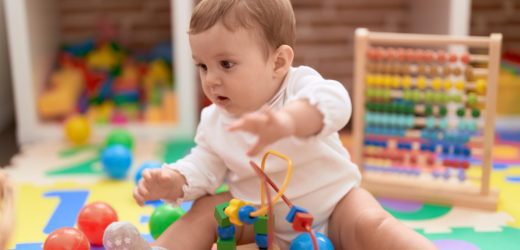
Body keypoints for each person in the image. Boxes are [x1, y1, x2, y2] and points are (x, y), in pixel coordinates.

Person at [104, 0, 436, 249]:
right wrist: (174, 180)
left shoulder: (299, 86)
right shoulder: (215, 119)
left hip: (334, 206)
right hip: (259, 219)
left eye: (226, 64)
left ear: (278, 62)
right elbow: (205, 165)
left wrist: (289, 120)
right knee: (207, 209)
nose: (211, 80)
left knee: (371, 223)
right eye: (203, 66)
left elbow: (336, 101)